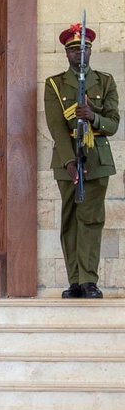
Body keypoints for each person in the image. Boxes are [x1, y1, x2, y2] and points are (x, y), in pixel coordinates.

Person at [44, 22, 118, 299]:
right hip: (68, 160)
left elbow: (112, 124)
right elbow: (55, 126)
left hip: (97, 158)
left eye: (85, 49)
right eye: (75, 50)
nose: (81, 54)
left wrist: (92, 117)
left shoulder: (106, 81)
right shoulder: (54, 84)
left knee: (91, 219)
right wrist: (69, 162)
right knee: (70, 220)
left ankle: (89, 281)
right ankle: (74, 281)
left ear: (91, 51)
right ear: (66, 53)